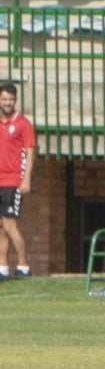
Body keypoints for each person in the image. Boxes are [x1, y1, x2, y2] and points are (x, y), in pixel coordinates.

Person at [0, 81, 32, 278]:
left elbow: (30, 151)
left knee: (10, 225)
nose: (7, 102)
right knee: (0, 227)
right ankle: (2, 266)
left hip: (12, 181)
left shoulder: (23, 124)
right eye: (4, 98)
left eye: (11, 99)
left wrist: (26, 179)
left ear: (16, 100)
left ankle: (23, 266)